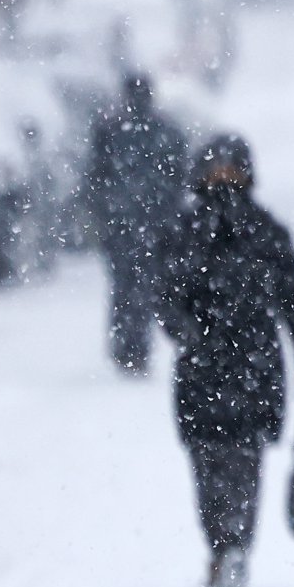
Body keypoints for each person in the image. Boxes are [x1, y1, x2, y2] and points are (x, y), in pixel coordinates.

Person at [156, 134, 294, 587]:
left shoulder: (268, 232)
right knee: (206, 462)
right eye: (216, 169)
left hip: (254, 366)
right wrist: (184, 329)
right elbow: (165, 296)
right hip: (202, 367)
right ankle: (220, 544)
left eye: (232, 169)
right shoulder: (185, 230)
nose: (224, 178)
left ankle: (235, 547)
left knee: (245, 461)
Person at [85, 72, 188, 374]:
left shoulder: (110, 130)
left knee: (122, 285)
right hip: (153, 223)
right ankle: (136, 348)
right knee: (144, 285)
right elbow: (179, 178)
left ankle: (124, 346)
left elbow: (95, 177)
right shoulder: (166, 131)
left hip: (120, 223)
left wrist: (100, 213)